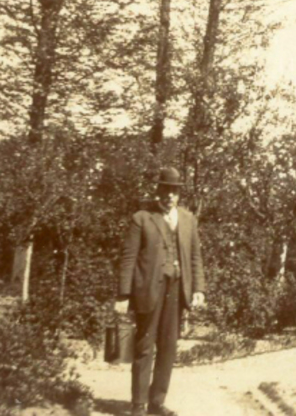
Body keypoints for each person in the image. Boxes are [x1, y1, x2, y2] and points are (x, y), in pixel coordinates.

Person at [116, 167, 205, 416]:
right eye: (166, 191)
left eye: (174, 192)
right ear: (158, 191)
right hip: (148, 289)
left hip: (177, 290)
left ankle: (156, 402)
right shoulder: (142, 218)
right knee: (145, 345)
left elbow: (195, 257)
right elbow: (128, 258)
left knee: (168, 347)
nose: (169, 196)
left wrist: (199, 288)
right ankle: (138, 404)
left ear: (179, 194)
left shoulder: (188, 219)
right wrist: (123, 295)